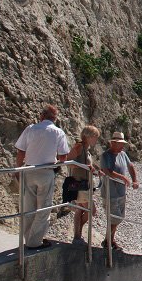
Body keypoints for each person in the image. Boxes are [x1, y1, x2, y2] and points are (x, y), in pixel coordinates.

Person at [15, 105, 70, 249]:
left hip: (28, 170)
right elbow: (63, 156)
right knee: (43, 208)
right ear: (55, 119)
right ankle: (35, 241)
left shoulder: (31, 128)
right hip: (46, 171)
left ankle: (28, 238)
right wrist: (57, 164)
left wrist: (17, 169)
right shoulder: (58, 132)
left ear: (41, 116)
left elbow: (21, 151)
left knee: (28, 206)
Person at [100, 131, 138, 250]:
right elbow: (107, 171)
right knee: (114, 218)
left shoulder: (122, 154)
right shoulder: (105, 155)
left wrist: (135, 180)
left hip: (121, 192)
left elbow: (130, 166)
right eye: (120, 143)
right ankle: (109, 241)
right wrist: (123, 177)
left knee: (118, 218)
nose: (122, 146)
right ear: (113, 143)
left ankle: (109, 240)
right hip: (110, 192)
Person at [67, 125, 102, 245]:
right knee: (90, 209)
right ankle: (77, 235)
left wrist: (97, 169)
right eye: (95, 137)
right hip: (79, 183)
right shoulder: (79, 146)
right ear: (88, 136)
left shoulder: (86, 150)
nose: (96, 140)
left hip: (84, 184)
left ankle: (77, 236)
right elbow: (69, 162)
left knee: (80, 210)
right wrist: (85, 167)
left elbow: (88, 164)